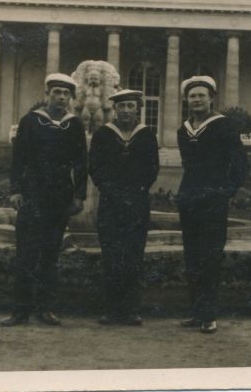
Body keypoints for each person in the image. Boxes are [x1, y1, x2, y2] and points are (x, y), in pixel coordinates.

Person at [0, 73, 88, 327]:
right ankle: (20, 312)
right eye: (57, 92)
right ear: (47, 95)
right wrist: (16, 190)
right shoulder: (30, 121)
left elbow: (82, 162)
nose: (61, 97)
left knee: (50, 254)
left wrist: (79, 196)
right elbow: (19, 159)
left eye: (66, 94)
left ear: (71, 98)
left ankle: (45, 309)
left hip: (60, 196)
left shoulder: (75, 125)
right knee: (26, 253)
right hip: (32, 194)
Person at [176, 75, 248, 334]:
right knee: (192, 257)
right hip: (189, 199)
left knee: (210, 257)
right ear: (186, 99)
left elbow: (240, 163)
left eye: (201, 95)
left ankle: (209, 315)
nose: (196, 100)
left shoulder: (223, 126)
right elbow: (187, 166)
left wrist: (226, 191)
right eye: (192, 96)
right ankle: (196, 313)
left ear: (211, 99)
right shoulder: (183, 130)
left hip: (213, 201)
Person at [89, 89, 160, 326]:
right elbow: (95, 167)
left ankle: (131, 310)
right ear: (115, 109)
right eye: (122, 107)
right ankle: (111, 310)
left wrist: (138, 190)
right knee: (111, 255)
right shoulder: (103, 134)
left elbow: (152, 168)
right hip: (111, 202)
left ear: (138, 109)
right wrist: (110, 189)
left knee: (133, 254)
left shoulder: (147, 135)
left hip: (137, 203)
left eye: (131, 106)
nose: (126, 111)